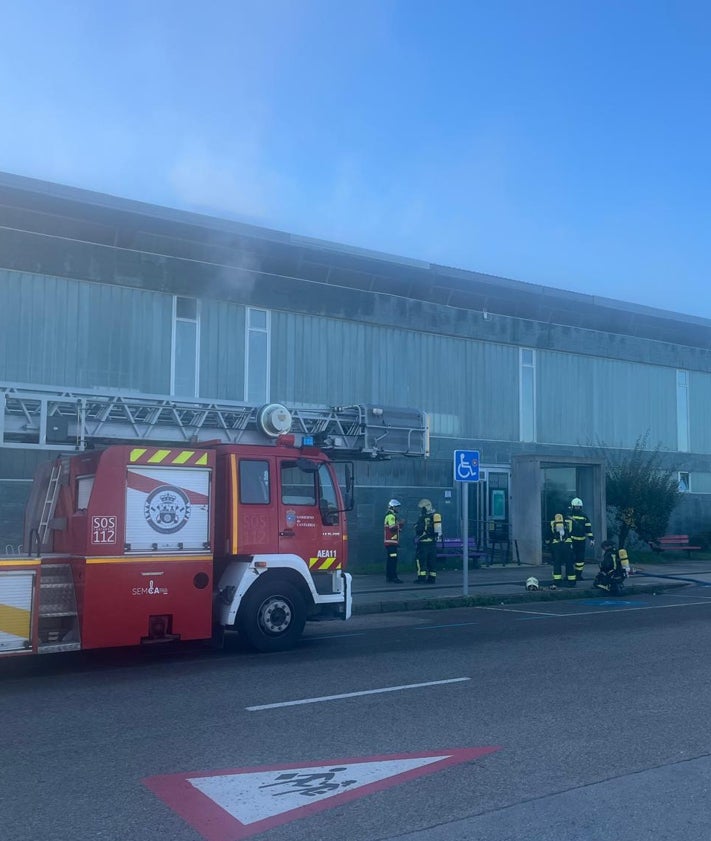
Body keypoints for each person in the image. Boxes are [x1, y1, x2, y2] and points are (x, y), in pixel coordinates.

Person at [414, 498, 442, 583]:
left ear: (425, 507)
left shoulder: (423, 517)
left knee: (421, 561)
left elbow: (419, 530)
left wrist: (415, 526)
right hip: (433, 542)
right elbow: (438, 532)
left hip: (423, 543)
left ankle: (421, 578)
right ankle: (432, 578)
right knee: (431, 561)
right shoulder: (435, 516)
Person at [545, 512, 577, 588]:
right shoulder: (570, 522)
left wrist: (548, 544)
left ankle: (557, 581)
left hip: (556, 546)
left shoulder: (552, 523)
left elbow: (547, 535)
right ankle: (572, 581)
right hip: (567, 545)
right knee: (569, 563)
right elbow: (575, 532)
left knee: (557, 563)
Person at [569, 497, 594, 580]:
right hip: (571, 541)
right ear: (572, 506)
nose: (577, 508)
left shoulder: (584, 516)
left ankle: (578, 575)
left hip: (581, 541)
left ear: (581, 507)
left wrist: (591, 539)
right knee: (570, 559)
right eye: (575, 507)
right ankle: (570, 575)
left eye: (578, 507)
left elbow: (588, 529)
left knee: (580, 560)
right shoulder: (569, 515)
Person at [383, 499, 404, 583]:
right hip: (391, 542)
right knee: (393, 560)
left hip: (391, 542)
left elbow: (396, 529)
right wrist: (400, 523)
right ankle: (393, 577)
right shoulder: (391, 516)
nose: (398, 509)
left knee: (391, 560)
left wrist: (400, 526)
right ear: (393, 507)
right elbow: (392, 527)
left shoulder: (390, 516)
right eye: (397, 507)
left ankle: (389, 577)